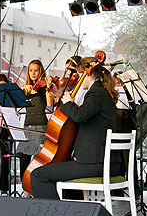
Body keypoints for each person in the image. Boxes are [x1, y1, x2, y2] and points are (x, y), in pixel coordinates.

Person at [29, 65, 119, 199]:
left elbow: (79, 115)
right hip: (101, 161)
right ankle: (72, 215)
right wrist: (60, 96)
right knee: (63, 178)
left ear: (88, 74)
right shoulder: (102, 92)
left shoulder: (96, 93)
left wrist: (67, 103)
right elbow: (81, 115)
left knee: (38, 175)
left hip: (96, 163)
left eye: (80, 76)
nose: (79, 81)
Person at [16, 59, 54, 180]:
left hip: (40, 127)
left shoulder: (44, 89)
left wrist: (48, 87)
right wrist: (22, 93)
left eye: (36, 70)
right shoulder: (27, 89)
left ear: (41, 72)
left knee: (37, 161)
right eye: (31, 70)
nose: (33, 73)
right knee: (23, 159)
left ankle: (35, 188)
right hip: (27, 127)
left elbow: (49, 106)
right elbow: (16, 106)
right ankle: (25, 189)